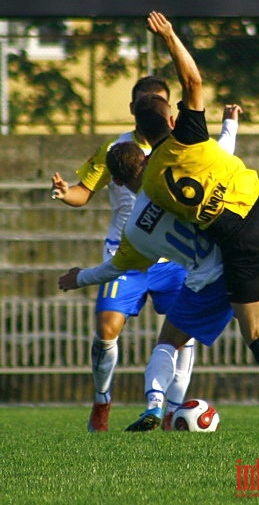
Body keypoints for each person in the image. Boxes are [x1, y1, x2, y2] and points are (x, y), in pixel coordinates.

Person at [131, 11, 259, 432]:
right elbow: (193, 82)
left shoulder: (151, 183)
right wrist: (171, 36)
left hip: (241, 245)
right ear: (172, 120)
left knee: (257, 332)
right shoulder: (188, 134)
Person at [58, 137, 259, 432]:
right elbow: (216, 156)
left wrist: (78, 278)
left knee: (168, 341)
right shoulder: (175, 183)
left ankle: (155, 405)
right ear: (146, 160)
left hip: (205, 282)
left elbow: (113, 268)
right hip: (246, 258)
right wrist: (230, 125)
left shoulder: (136, 228)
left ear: (116, 180)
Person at [51, 76, 192, 432]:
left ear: (169, 111)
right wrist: (65, 192)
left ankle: (172, 410)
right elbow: (84, 192)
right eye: (145, 103)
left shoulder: (178, 146)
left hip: (171, 256)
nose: (151, 110)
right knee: (107, 328)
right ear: (133, 109)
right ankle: (102, 401)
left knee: (184, 331)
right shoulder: (114, 150)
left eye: (158, 103)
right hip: (125, 253)